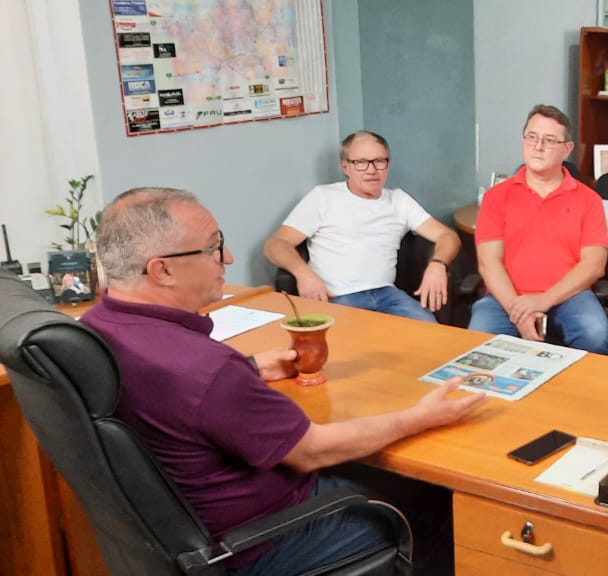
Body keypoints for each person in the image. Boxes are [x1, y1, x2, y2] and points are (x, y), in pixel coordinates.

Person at [82, 187, 487, 575]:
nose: (228, 257)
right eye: (213, 247)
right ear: (162, 270)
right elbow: (312, 450)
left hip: (186, 535)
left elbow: (179, 395)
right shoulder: (206, 371)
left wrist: (251, 367)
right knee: (447, 508)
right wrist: (422, 416)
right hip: (261, 544)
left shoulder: (97, 326)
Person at [264, 130, 461, 323]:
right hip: (337, 297)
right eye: (361, 162)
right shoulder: (323, 197)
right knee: (355, 342)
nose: (371, 170)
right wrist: (303, 274)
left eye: (379, 161)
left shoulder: (399, 200)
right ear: (345, 167)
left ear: (388, 164)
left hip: (388, 295)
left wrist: (438, 264)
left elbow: (448, 236)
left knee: (432, 334)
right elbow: (276, 244)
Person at [469, 104, 608, 354]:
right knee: (478, 340)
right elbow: (489, 263)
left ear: (567, 148)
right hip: (506, 296)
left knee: (595, 334)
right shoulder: (496, 197)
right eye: (531, 137)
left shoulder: (589, 200)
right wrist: (518, 310)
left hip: (570, 295)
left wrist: (544, 300)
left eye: (549, 140)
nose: (538, 146)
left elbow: (594, 265)